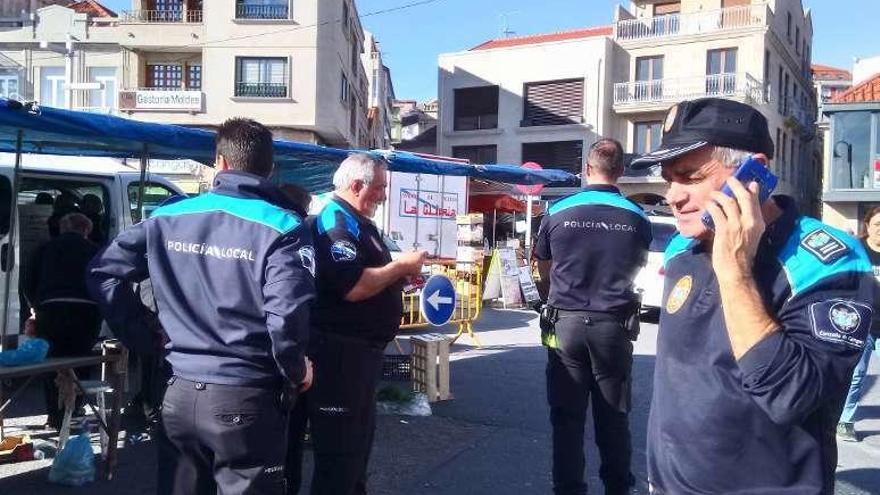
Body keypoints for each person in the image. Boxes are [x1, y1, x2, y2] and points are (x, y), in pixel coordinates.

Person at [630, 98, 875, 494]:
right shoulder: (682, 248)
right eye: (668, 177)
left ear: (754, 171)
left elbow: (790, 395)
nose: (672, 195)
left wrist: (736, 271)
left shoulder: (828, 260)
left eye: (690, 176)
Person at [87, 117, 315, 495]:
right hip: (247, 397)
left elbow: (103, 272)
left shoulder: (166, 217)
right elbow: (286, 315)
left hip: (178, 391)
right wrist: (296, 371)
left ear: (219, 163)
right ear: (270, 169)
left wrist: (144, 335)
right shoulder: (285, 227)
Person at [286, 153, 426, 495]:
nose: (382, 195)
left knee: (354, 453)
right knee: (340, 456)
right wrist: (400, 266)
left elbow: (366, 277)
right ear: (357, 185)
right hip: (338, 355)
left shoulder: (357, 220)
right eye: (379, 188)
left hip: (358, 356)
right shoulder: (335, 220)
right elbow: (353, 286)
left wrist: (398, 278)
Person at [534, 139, 651, 495]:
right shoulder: (638, 217)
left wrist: (552, 296)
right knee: (613, 418)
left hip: (565, 324)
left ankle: (568, 489)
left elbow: (543, 266)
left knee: (566, 420)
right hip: (612, 326)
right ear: (620, 172)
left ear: (586, 169)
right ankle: (618, 487)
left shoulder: (558, 210)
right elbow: (637, 264)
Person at [21, 212, 101, 430]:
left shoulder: (44, 249)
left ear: (63, 229)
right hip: (85, 311)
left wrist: (37, 306)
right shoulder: (94, 251)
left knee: (52, 363)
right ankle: (74, 408)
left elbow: (27, 280)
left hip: (51, 309)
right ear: (86, 230)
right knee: (79, 360)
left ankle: (54, 415)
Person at [836, 206, 880, 442]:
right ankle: (846, 421)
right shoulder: (857, 250)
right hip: (861, 322)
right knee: (857, 374)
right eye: (877, 225)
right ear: (868, 226)